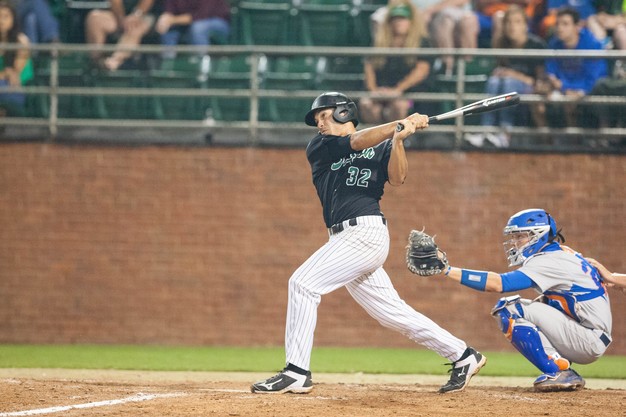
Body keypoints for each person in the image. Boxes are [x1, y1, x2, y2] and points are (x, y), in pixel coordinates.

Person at [250, 91, 486, 395]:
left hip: (365, 234)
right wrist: (398, 125)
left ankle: (296, 372)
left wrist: (399, 139)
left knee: (302, 284)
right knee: (391, 313)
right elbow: (358, 142)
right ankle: (463, 356)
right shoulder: (320, 146)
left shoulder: (384, 144)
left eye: (324, 115)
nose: (320, 123)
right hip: (343, 238)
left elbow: (398, 178)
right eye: (318, 118)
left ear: (343, 113)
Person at [435, 208, 612, 392]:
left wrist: (447, 270)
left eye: (521, 236)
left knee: (508, 308)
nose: (515, 242)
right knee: (542, 301)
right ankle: (561, 367)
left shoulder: (550, 260)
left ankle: (557, 371)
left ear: (539, 235)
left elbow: (498, 284)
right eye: (514, 237)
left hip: (588, 339)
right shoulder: (562, 253)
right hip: (589, 332)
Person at [464, 5, 547, 148]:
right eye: (508, 22)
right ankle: (486, 131)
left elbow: (539, 81)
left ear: (525, 25)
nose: (512, 26)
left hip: (528, 89)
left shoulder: (536, 45)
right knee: (494, 81)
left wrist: (514, 75)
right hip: (504, 85)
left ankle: (505, 134)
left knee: (508, 83)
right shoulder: (502, 43)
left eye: (517, 22)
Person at [533, 7, 608, 128]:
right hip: (563, 88)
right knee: (536, 96)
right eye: (557, 24)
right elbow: (550, 71)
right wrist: (551, 83)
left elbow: (594, 79)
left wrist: (566, 87)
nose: (560, 28)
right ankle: (546, 142)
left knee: (569, 100)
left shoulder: (592, 45)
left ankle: (574, 143)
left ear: (577, 26)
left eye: (565, 24)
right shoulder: (554, 43)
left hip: (587, 89)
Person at [359, 2, 432, 124]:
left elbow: (421, 71)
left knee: (399, 106)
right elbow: (369, 67)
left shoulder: (421, 43)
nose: (398, 22)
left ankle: (396, 140)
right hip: (380, 91)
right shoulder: (379, 43)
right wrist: (374, 90)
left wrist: (397, 90)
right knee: (367, 104)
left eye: (403, 18)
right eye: (395, 19)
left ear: (411, 21)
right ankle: (376, 141)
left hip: (407, 94)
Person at [84, 0, 162, 71]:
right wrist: (121, 19)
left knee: (134, 28)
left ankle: (115, 61)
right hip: (121, 16)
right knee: (94, 18)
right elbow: (115, 2)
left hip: (146, 15)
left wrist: (136, 15)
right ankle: (97, 61)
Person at [155, 0, 231, 59]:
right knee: (167, 28)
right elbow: (169, 11)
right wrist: (164, 20)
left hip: (217, 21)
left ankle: (200, 63)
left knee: (198, 28)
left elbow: (200, 15)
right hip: (187, 22)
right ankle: (168, 65)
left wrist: (172, 20)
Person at [0, 0, 32, 119]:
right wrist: (4, 73)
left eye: (5, 17)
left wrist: (8, 74)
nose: (1, 21)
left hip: (14, 89)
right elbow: (7, 73)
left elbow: (14, 76)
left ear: (13, 19)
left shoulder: (21, 42)